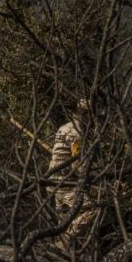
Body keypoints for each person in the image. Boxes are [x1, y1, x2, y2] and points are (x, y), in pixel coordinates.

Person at [48, 99, 95, 241]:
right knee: (92, 210)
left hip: (53, 179)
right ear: (85, 114)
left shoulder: (64, 127)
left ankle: (63, 248)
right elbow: (78, 164)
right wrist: (91, 176)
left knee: (64, 219)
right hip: (66, 182)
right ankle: (65, 243)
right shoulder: (77, 133)